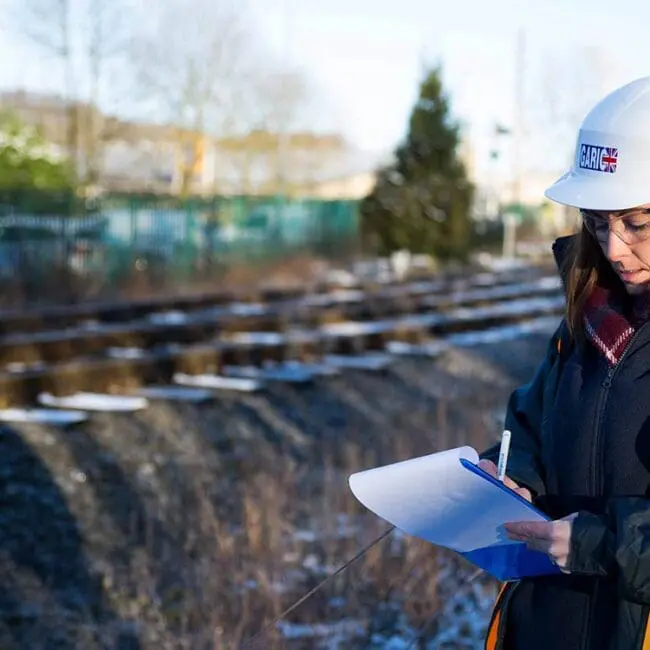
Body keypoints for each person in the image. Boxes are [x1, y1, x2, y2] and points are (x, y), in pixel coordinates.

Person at [478, 76, 650, 650]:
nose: (613, 247)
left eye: (637, 223)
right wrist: (511, 478)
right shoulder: (587, 320)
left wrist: (597, 544)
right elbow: (530, 422)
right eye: (598, 222)